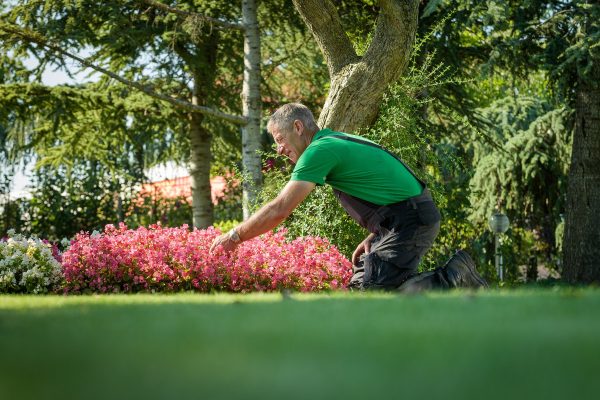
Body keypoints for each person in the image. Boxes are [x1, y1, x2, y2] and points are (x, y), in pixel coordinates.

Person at [210, 103, 488, 292]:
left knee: (372, 292)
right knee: (360, 288)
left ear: (297, 127)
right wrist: (375, 236)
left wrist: (234, 236)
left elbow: (280, 209)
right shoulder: (333, 142)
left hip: (411, 218)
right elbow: (385, 188)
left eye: (279, 139)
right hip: (404, 217)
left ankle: (454, 276)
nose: (279, 150)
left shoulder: (319, 151)